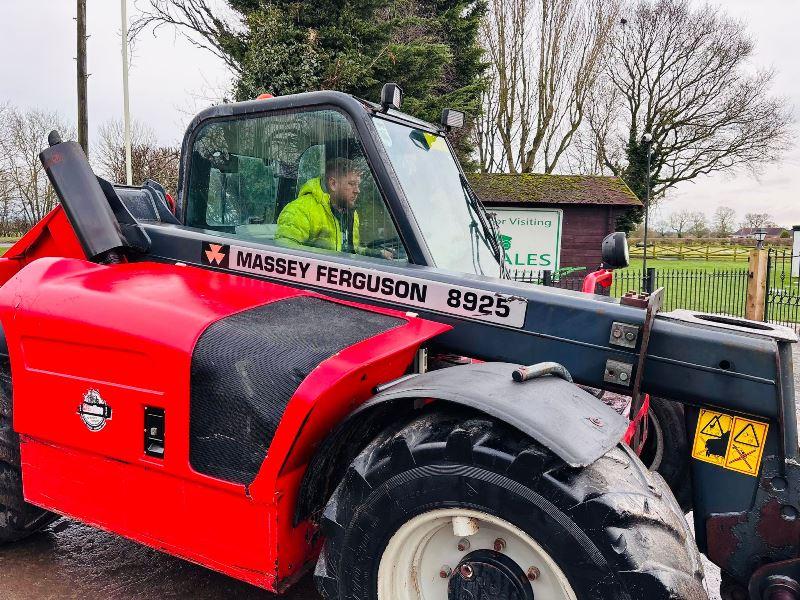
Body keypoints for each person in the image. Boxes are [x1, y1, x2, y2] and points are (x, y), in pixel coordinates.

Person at [277, 157, 390, 257]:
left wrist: (374, 254)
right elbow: (283, 252)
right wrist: (326, 256)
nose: (357, 190)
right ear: (333, 184)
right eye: (351, 184)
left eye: (358, 184)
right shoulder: (300, 210)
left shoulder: (350, 213)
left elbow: (347, 249)